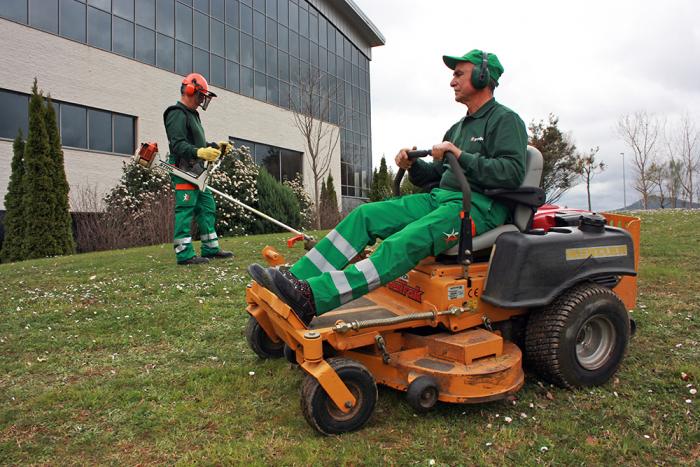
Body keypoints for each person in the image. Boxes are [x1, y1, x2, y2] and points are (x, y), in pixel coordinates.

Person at [249, 49, 528, 324]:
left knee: (401, 242)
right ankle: (297, 279)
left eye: (458, 74)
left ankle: (313, 298)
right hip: (441, 199)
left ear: (482, 76)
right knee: (364, 215)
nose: (452, 81)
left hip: (478, 207)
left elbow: (512, 173)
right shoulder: (458, 128)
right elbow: (436, 175)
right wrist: (412, 166)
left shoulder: (505, 120)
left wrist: (460, 155)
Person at [164, 72, 234, 265]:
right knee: (185, 210)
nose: (203, 99)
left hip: (196, 171)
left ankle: (210, 248)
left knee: (207, 207)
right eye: (201, 95)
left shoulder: (192, 115)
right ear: (189, 90)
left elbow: (197, 144)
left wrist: (215, 147)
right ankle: (184, 254)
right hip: (183, 170)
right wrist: (200, 153)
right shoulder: (176, 113)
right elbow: (178, 145)